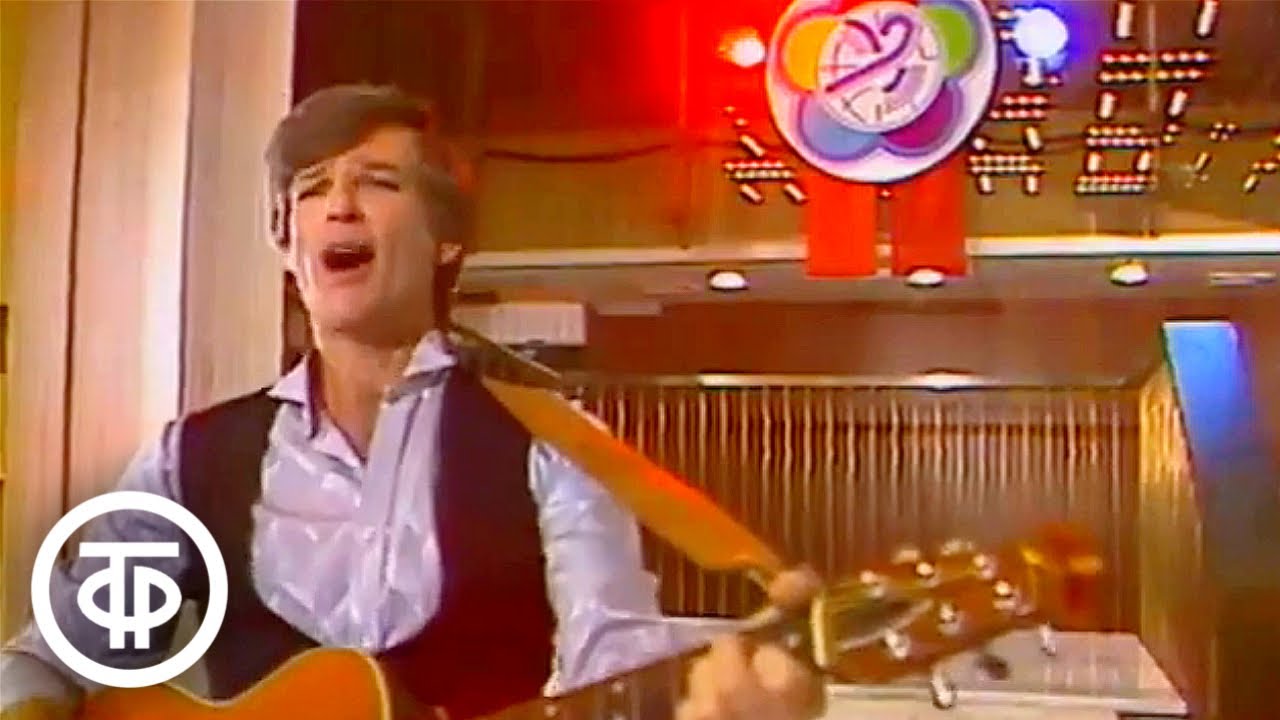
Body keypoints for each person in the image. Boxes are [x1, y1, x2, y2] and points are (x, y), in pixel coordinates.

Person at [0, 84, 824, 720]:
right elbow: (54, 659)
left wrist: (717, 698)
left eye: (378, 182)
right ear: (287, 242)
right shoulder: (189, 459)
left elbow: (614, 658)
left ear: (446, 237)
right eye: (312, 188)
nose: (340, 205)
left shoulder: (552, 440)